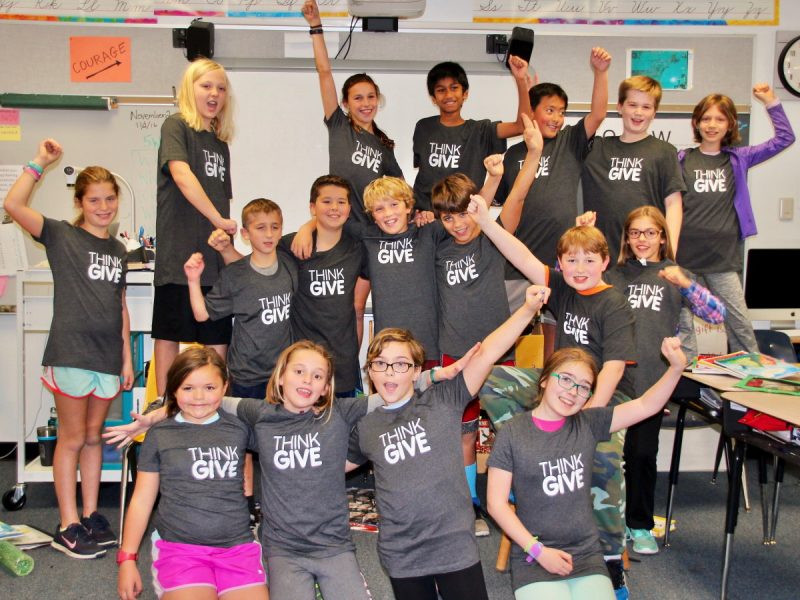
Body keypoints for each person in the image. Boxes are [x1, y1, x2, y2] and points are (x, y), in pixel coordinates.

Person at [468, 196, 635, 598]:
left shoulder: (613, 301)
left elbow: (612, 368)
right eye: (571, 261)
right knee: (489, 376)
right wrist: (486, 223)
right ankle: (530, 452)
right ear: (561, 265)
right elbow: (522, 255)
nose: (580, 269)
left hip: (600, 402)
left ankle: (612, 564)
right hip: (555, 387)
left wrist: (586, 420)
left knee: (604, 476)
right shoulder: (561, 286)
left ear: (604, 262)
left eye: (589, 261)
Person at [348, 285, 551, 600]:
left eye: (401, 364)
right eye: (380, 363)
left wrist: (526, 310)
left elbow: (487, 353)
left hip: (453, 544)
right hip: (403, 552)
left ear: (417, 371)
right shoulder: (364, 424)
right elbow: (329, 467)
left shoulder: (445, 397)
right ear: (370, 370)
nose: (390, 372)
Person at [4, 139, 133, 559]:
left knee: (95, 437)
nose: (103, 206)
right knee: (73, 439)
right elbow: (13, 204)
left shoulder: (118, 249)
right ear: (80, 202)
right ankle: (67, 523)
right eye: (94, 200)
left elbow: (119, 304)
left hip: (107, 359)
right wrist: (40, 161)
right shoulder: (61, 235)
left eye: (109, 199)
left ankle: (92, 515)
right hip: (71, 353)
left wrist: (127, 356)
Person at [487, 339, 686, 600]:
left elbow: (646, 405)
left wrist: (676, 368)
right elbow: (496, 504)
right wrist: (538, 551)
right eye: (566, 379)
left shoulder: (589, 423)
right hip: (533, 554)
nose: (573, 391)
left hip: (586, 553)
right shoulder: (513, 433)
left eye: (583, 387)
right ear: (545, 379)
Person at [432, 114, 543, 536]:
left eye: (464, 214)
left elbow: (511, 199)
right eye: (449, 218)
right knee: (462, 433)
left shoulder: (492, 239)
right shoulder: (438, 248)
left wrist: (525, 157)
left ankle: (512, 498)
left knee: (507, 430)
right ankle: (470, 504)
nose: (459, 223)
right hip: (455, 354)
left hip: (499, 351)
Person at [603, 206, 726, 555]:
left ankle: (639, 525)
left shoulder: (674, 275)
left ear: (662, 236)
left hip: (651, 383)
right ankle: (607, 523)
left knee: (642, 454)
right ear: (627, 238)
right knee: (608, 456)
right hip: (614, 380)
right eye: (636, 233)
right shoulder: (613, 275)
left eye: (650, 232)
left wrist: (686, 284)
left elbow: (717, 314)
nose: (643, 239)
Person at [116, 346, 268, 600]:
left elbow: (279, 423)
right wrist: (127, 558)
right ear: (174, 390)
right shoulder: (160, 434)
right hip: (180, 550)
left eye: (210, 387)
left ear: (225, 387)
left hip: (237, 548)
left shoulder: (239, 428)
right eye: (188, 388)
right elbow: (142, 500)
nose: (199, 397)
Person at [186, 198, 297, 526]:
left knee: (281, 441)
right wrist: (193, 279)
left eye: (275, 227)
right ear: (246, 233)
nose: (269, 234)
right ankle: (247, 502)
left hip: (281, 376)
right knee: (246, 443)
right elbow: (203, 313)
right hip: (247, 371)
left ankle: (280, 504)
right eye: (261, 227)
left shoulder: (290, 266)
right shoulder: (235, 274)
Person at [497, 47, 611, 361]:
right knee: (505, 338)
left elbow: (598, 114)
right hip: (517, 266)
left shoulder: (570, 141)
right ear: (532, 112)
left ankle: (550, 400)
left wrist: (600, 72)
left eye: (561, 111)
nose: (557, 118)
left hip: (560, 265)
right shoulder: (513, 155)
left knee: (557, 343)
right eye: (549, 110)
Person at [210, 176, 364, 397]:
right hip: (299, 366)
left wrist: (307, 226)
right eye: (326, 201)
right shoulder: (291, 246)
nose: (334, 208)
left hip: (342, 366)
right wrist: (225, 250)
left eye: (341, 202)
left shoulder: (357, 247)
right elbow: (252, 273)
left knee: (340, 428)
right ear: (312, 207)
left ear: (349, 208)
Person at [677, 83, 795, 354]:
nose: (712, 125)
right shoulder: (681, 159)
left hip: (722, 258)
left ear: (730, 124)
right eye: (706, 118)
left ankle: (750, 378)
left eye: (719, 119)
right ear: (696, 122)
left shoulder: (739, 159)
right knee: (682, 326)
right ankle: (683, 384)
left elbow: (785, 138)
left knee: (740, 324)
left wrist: (771, 101)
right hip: (683, 259)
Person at [152, 58, 236, 397]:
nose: (214, 94)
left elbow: (221, 198)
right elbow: (182, 177)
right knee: (169, 334)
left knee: (216, 340)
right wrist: (218, 220)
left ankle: (215, 410)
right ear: (190, 89)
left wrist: (223, 233)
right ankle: (163, 405)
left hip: (214, 267)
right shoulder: (176, 126)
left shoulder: (220, 143)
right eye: (206, 86)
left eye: (220, 88)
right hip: (178, 259)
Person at [301, 0, 404, 226]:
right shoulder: (339, 125)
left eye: (370, 96)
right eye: (357, 98)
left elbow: (401, 189)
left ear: (378, 99)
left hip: (370, 230)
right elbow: (324, 72)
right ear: (345, 104)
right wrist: (316, 26)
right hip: (339, 225)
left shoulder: (383, 144)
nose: (365, 104)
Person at [581, 75, 685, 263]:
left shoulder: (665, 152)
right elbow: (593, 116)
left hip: (645, 255)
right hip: (600, 256)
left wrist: (669, 253)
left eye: (646, 107)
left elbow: (673, 205)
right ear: (619, 107)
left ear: (654, 112)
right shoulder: (596, 149)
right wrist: (600, 72)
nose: (638, 112)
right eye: (632, 105)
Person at [411, 56, 531, 213]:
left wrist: (520, 79)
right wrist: (418, 212)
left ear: (465, 94)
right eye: (441, 90)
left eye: (454, 88)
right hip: (425, 218)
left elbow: (522, 126)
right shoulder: (424, 127)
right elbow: (424, 175)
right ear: (433, 98)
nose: (448, 95)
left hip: (464, 218)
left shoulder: (480, 130)